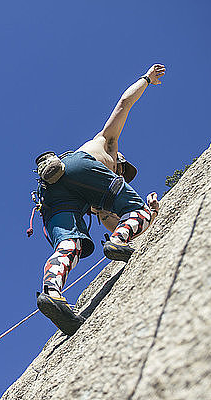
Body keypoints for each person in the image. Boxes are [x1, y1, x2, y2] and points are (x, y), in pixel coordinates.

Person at [35, 64, 166, 336]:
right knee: (136, 208)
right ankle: (55, 292)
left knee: (70, 244)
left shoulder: (95, 202)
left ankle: (52, 293)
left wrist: (122, 234)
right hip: (79, 165)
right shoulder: (108, 143)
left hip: (53, 192)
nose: (120, 175)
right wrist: (146, 79)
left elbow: (112, 226)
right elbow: (124, 104)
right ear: (120, 161)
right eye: (122, 170)